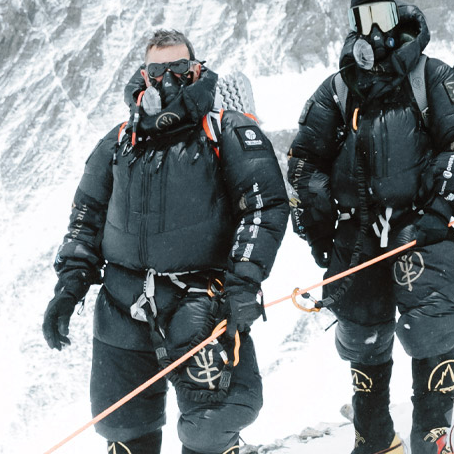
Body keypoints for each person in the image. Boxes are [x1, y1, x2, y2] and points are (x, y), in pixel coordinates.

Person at [42, 29, 288, 454]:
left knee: (212, 423)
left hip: (201, 304)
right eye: (157, 70)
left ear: (196, 69)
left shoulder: (225, 131)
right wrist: (69, 287)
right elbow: (86, 217)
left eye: (178, 67)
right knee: (122, 426)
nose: (168, 79)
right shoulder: (120, 140)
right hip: (122, 307)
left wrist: (245, 279)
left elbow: (264, 207)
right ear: (144, 75)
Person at [288, 0, 454, 454]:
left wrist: (440, 210)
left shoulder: (430, 76)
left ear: (399, 17)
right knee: (362, 332)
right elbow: (303, 160)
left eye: (382, 15)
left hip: (421, 226)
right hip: (357, 232)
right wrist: (319, 227)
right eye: (362, 19)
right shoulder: (339, 89)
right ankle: (375, 438)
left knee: (430, 323)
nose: (374, 29)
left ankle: (432, 436)